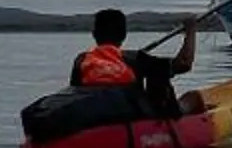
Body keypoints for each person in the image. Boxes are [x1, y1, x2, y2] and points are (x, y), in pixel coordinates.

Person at [72, 8, 201, 118]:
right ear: (124, 35)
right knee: (193, 97)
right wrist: (191, 30)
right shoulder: (135, 59)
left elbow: (75, 93)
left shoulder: (82, 60)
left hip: (96, 115)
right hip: (134, 117)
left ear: (94, 35)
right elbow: (185, 63)